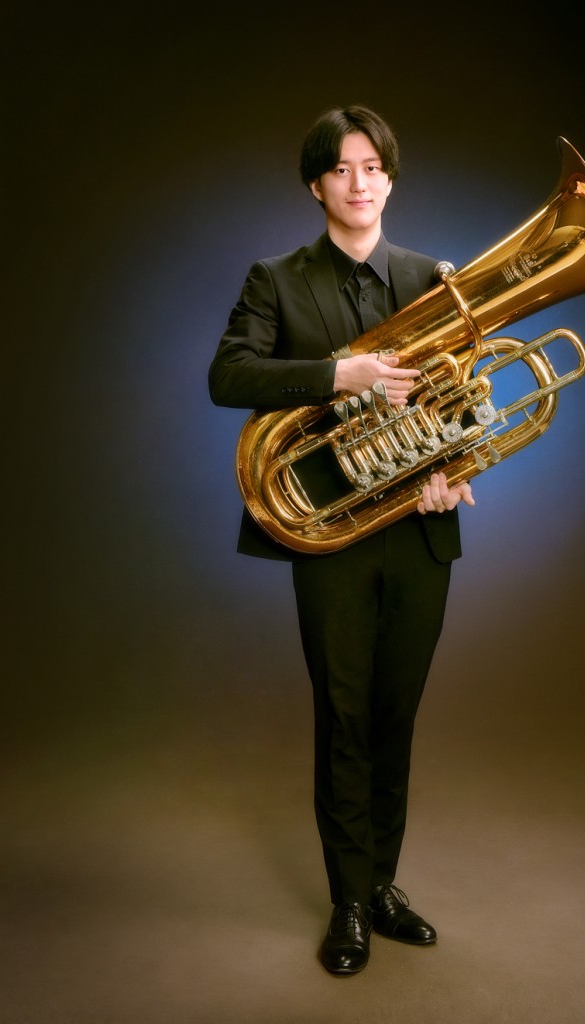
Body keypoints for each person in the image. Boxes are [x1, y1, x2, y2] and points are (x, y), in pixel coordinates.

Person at [208, 104, 475, 975]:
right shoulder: (276, 280)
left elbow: (460, 397)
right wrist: (338, 374)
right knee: (346, 717)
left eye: (373, 167)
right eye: (341, 168)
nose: (359, 183)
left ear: (389, 180)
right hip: (330, 534)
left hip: (420, 531)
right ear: (315, 185)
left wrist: (454, 467)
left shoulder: (433, 279)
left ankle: (384, 883)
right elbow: (228, 375)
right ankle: (349, 901)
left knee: (396, 715)